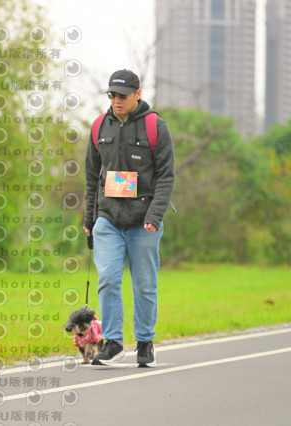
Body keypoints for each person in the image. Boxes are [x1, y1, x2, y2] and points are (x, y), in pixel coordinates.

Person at [83, 69, 175, 367]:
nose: (117, 100)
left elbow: (166, 176)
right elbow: (91, 177)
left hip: (144, 220)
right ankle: (112, 343)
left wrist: (155, 215)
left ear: (137, 94)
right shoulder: (99, 126)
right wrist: (89, 219)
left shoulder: (155, 127)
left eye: (123, 95)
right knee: (108, 279)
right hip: (108, 218)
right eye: (112, 95)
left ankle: (145, 342)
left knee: (144, 285)